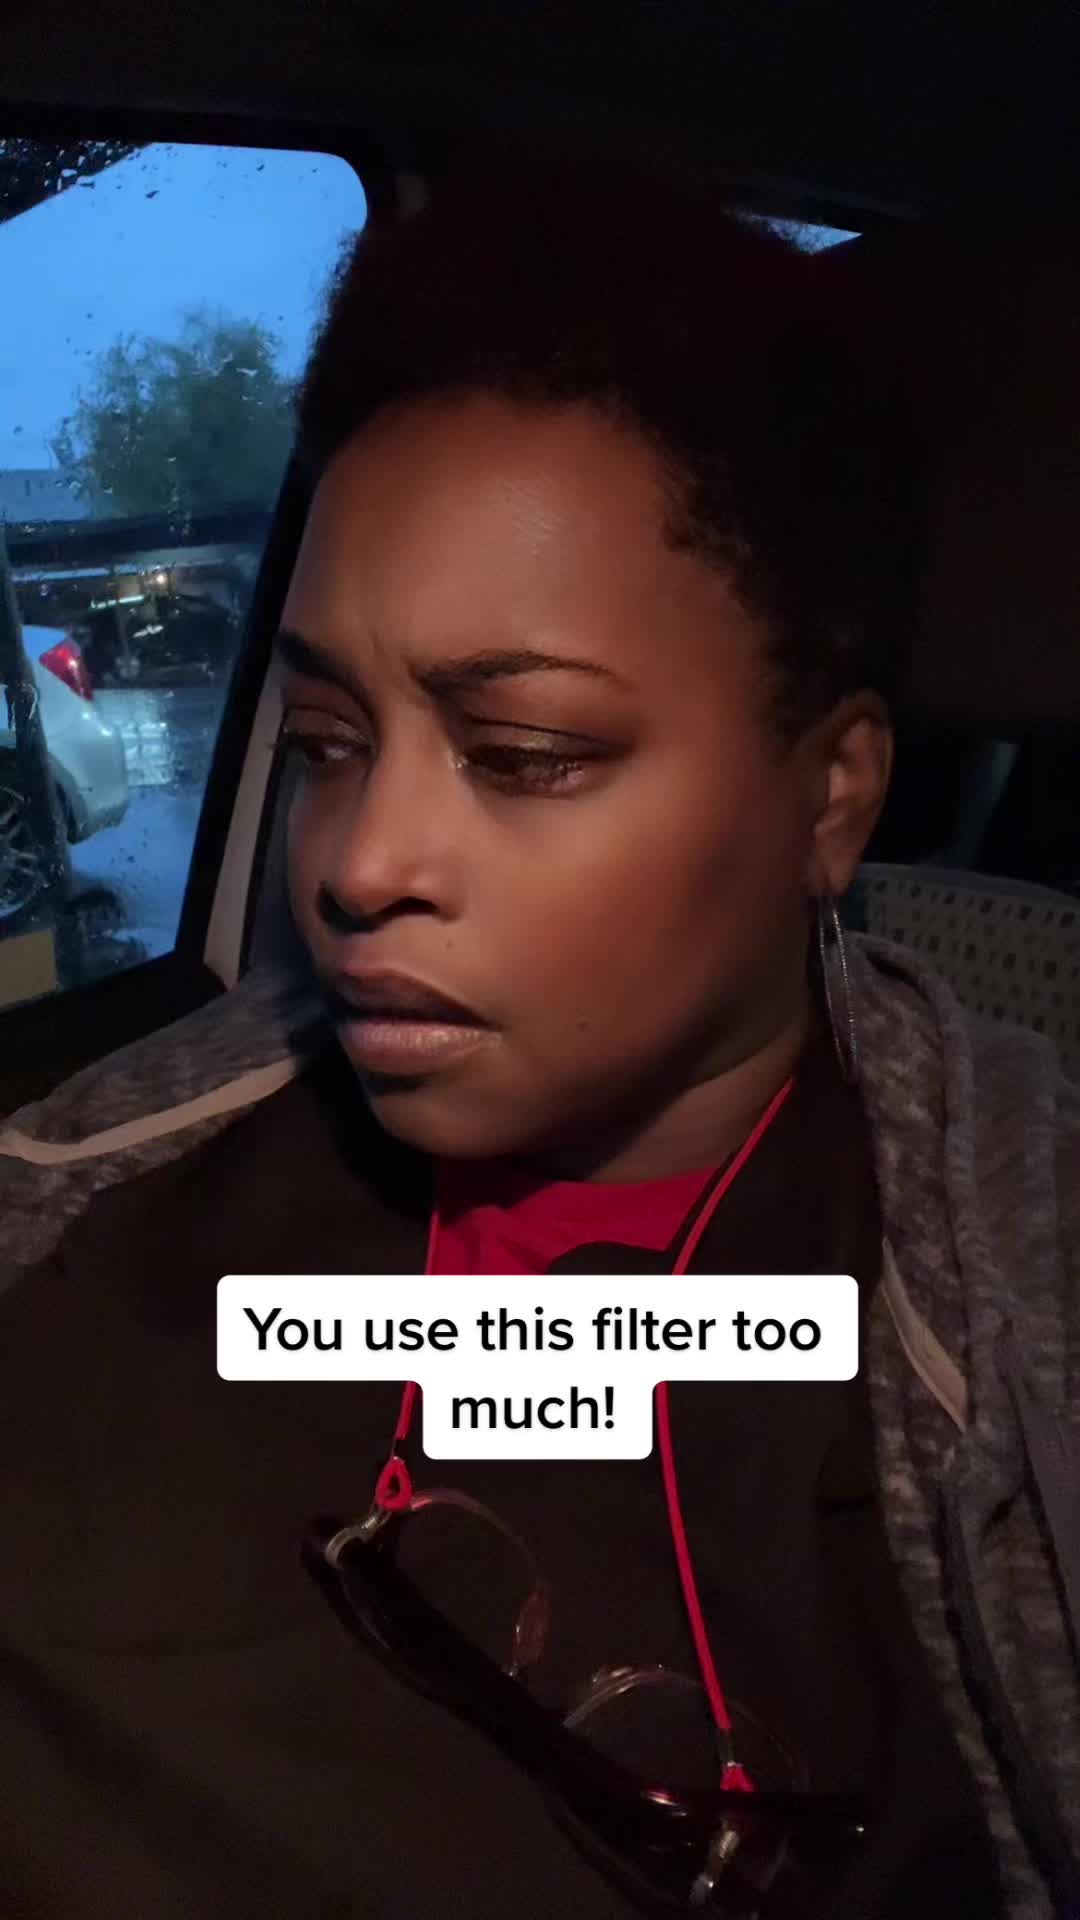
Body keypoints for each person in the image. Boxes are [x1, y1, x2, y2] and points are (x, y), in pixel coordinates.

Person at [0, 172, 1077, 1920]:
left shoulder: (1006, 1302)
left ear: (831, 795)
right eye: (328, 740)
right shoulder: (105, 1191)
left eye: (525, 756)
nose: (358, 864)